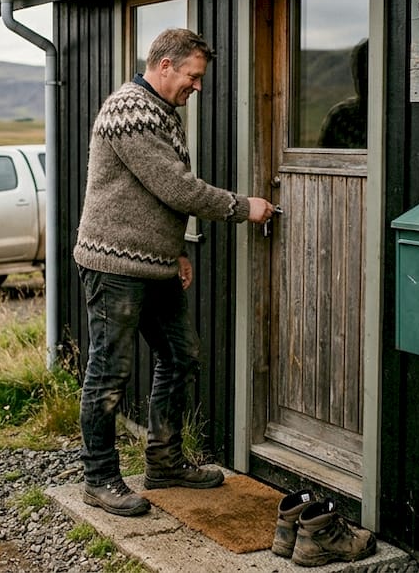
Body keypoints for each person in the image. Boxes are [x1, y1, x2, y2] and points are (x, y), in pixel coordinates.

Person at [73, 27, 276, 517]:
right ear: (165, 65)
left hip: (153, 262)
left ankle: (164, 463)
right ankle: (99, 479)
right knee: (109, 371)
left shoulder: (160, 110)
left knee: (180, 355)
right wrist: (242, 207)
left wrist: (175, 249)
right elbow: (176, 188)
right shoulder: (131, 111)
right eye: (193, 76)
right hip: (114, 264)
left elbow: (151, 197)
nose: (197, 86)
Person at [316, 38, 369, 149]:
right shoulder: (341, 117)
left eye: (366, 73)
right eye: (358, 73)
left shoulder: (399, 116)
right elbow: (321, 160)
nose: (362, 81)